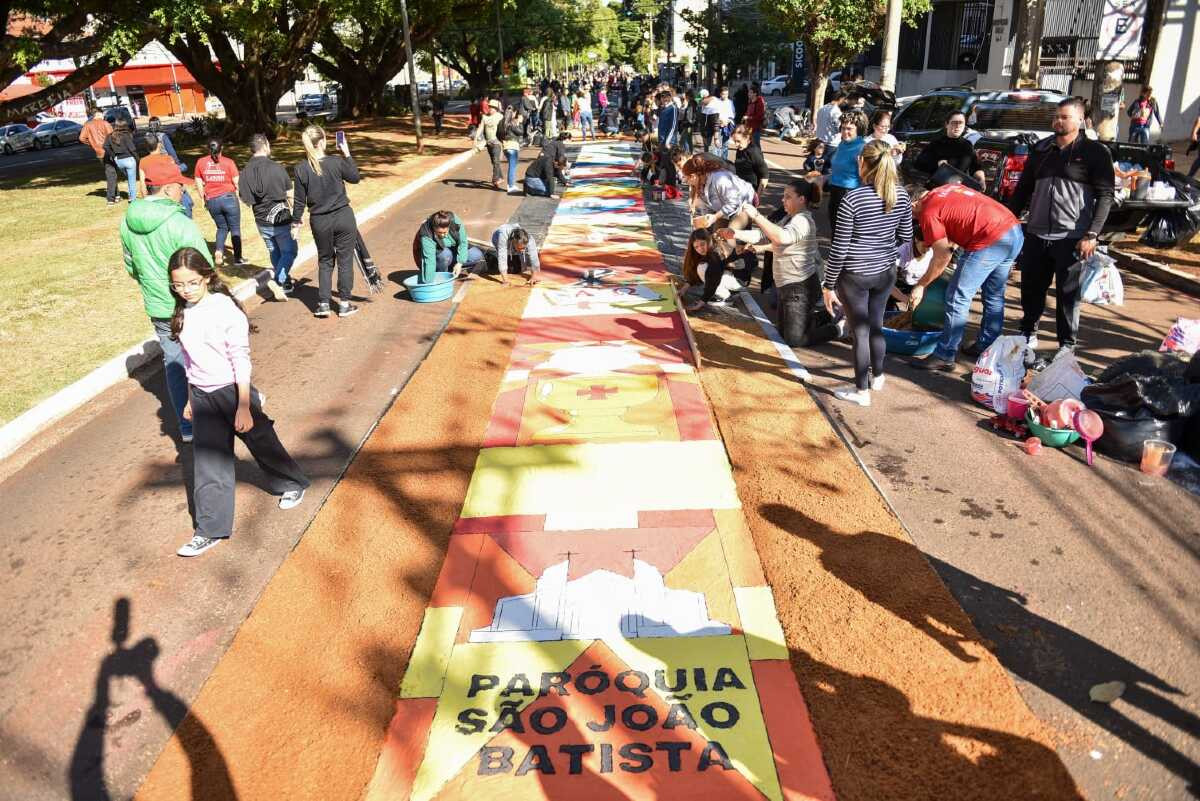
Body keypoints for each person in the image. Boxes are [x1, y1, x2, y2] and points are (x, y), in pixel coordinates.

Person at [167, 247, 309, 558]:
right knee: (208, 464)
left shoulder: (223, 310)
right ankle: (209, 529)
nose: (186, 290)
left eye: (192, 283)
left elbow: (240, 359)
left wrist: (244, 404)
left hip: (233, 391)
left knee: (260, 440)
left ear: (207, 277)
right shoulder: (182, 314)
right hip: (203, 395)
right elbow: (189, 364)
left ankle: (291, 482)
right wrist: (191, 400)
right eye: (178, 285)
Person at [1006, 97, 1115, 361]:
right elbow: (1023, 189)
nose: (1058, 121)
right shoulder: (1041, 150)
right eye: (1056, 116)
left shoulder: (1095, 152)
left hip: (1072, 237)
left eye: (1065, 117)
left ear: (1080, 120)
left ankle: (1066, 344)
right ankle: (1028, 332)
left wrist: (1092, 234)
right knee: (1031, 288)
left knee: (1068, 295)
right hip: (1036, 233)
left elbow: (1105, 195)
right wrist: (1008, 220)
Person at [119, 162, 211, 444]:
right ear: (169, 187)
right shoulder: (179, 223)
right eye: (180, 186)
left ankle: (186, 426)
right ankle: (230, 408)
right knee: (210, 356)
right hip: (188, 302)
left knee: (173, 362)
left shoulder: (127, 221)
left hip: (158, 304)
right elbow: (203, 266)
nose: (183, 190)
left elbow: (131, 266)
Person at [822, 140, 913, 407]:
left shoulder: (853, 198)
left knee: (859, 331)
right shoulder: (901, 195)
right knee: (876, 325)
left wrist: (828, 284)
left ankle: (861, 391)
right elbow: (906, 236)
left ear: (863, 163)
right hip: (885, 271)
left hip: (855, 274)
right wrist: (883, 250)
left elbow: (839, 247)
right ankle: (879, 376)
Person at [907, 183, 1024, 371]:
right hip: (1013, 230)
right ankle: (987, 345)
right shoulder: (945, 188)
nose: (914, 219)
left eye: (911, 214)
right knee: (993, 294)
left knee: (957, 296)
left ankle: (944, 354)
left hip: (990, 238)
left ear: (913, 204)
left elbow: (943, 255)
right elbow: (960, 219)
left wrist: (921, 285)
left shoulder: (928, 211)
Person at [739, 179, 841, 348]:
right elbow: (765, 236)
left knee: (794, 339)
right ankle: (830, 314)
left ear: (801, 199)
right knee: (783, 333)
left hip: (800, 288)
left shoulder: (803, 221)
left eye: (788, 196)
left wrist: (756, 215)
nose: (782, 200)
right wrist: (733, 233)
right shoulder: (789, 218)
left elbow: (781, 237)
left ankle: (838, 329)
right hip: (787, 287)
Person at [292, 124, 363, 318]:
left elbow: (299, 200)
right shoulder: (336, 162)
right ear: (322, 141)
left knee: (325, 261)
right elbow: (355, 177)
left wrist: (295, 222)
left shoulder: (301, 168)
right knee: (345, 260)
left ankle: (323, 303)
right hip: (343, 216)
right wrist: (347, 153)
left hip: (319, 220)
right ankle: (344, 303)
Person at [240, 133, 296, 298]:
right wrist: (297, 216)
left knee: (274, 250)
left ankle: (285, 282)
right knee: (290, 251)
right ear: (265, 146)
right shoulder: (277, 168)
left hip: (261, 220)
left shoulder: (244, 173)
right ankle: (279, 279)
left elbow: (245, 200)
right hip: (281, 218)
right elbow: (290, 194)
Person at [195, 139, 245, 267]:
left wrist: (203, 198)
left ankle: (218, 251)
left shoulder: (201, 162)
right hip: (229, 198)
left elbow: (198, 181)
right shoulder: (229, 162)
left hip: (212, 200)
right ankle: (238, 258)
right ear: (221, 149)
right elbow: (237, 182)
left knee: (222, 227)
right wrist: (241, 196)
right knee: (235, 228)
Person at [682, 228, 752, 311]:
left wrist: (700, 303)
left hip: (740, 280)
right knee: (703, 267)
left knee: (703, 267)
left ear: (708, 241)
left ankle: (725, 297)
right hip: (732, 275)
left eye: (702, 244)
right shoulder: (709, 249)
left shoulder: (715, 254)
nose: (700, 249)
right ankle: (730, 291)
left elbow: (713, 281)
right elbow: (694, 273)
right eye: (696, 247)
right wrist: (683, 289)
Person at [681, 155, 757, 232]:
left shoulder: (719, 179)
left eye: (687, 180)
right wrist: (705, 221)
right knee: (717, 234)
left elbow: (734, 203)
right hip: (726, 205)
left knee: (731, 235)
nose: (687, 183)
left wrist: (715, 217)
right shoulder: (700, 183)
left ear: (693, 176)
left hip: (744, 201)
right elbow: (707, 208)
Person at [826, 111, 869, 239]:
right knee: (835, 233)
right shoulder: (842, 144)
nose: (845, 132)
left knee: (845, 235)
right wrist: (823, 178)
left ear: (859, 129)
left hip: (850, 194)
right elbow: (839, 170)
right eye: (843, 128)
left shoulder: (863, 148)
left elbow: (867, 177)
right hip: (835, 192)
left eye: (849, 129)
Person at [913, 111, 985, 187]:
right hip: (938, 187)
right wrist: (937, 163)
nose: (957, 126)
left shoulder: (967, 145)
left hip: (958, 189)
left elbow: (976, 167)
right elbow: (918, 164)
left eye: (961, 123)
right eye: (954, 123)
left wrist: (981, 178)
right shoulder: (936, 144)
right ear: (946, 124)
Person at [413, 210, 485, 283]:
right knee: (445, 254)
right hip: (434, 258)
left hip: (450, 251)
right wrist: (428, 283)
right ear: (434, 228)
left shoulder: (455, 222)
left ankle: (450, 268)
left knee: (477, 255)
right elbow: (429, 260)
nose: (442, 235)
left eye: (445, 232)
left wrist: (460, 263)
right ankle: (441, 277)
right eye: (439, 233)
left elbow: (463, 242)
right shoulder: (426, 234)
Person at [139, 134, 194, 218]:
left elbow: (143, 186)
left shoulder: (142, 162)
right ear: (159, 144)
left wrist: (146, 200)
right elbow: (177, 178)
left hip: (156, 194)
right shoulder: (169, 158)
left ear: (146, 147)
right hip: (172, 193)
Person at [79, 110, 118, 206]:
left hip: (98, 152)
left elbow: (81, 138)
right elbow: (112, 137)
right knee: (111, 174)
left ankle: (116, 194)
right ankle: (111, 198)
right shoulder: (105, 123)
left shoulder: (88, 125)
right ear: (100, 115)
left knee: (111, 172)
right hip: (108, 151)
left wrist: (92, 144)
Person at [105, 119, 139, 203]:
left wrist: (114, 156)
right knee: (132, 179)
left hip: (119, 161)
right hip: (129, 160)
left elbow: (105, 146)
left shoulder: (110, 136)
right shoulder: (126, 135)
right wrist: (138, 159)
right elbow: (132, 149)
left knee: (129, 177)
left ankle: (131, 195)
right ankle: (133, 199)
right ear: (125, 125)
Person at [474, 99, 505, 190]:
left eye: (492, 108)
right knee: (494, 162)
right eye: (490, 107)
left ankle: (495, 179)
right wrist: (475, 138)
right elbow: (480, 128)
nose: (490, 109)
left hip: (497, 143)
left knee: (496, 161)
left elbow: (505, 127)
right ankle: (501, 177)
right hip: (488, 143)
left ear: (496, 109)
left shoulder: (500, 116)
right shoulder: (485, 117)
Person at [729, 125, 768, 195]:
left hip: (750, 191)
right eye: (734, 141)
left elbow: (764, 175)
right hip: (741, 188)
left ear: (747, 138)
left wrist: (757, 196)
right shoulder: (741, 149)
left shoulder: (753, 152)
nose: (736, 144)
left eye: (738, 141)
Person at [502, 106, 525, 193]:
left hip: (506, 145)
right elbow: (521, 132)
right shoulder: (513, 123)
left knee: (512, 166)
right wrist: (520, 123)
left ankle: (511, 185)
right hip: (512, 146)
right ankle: (510, 186)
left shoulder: (505, 122)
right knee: (512, 167)